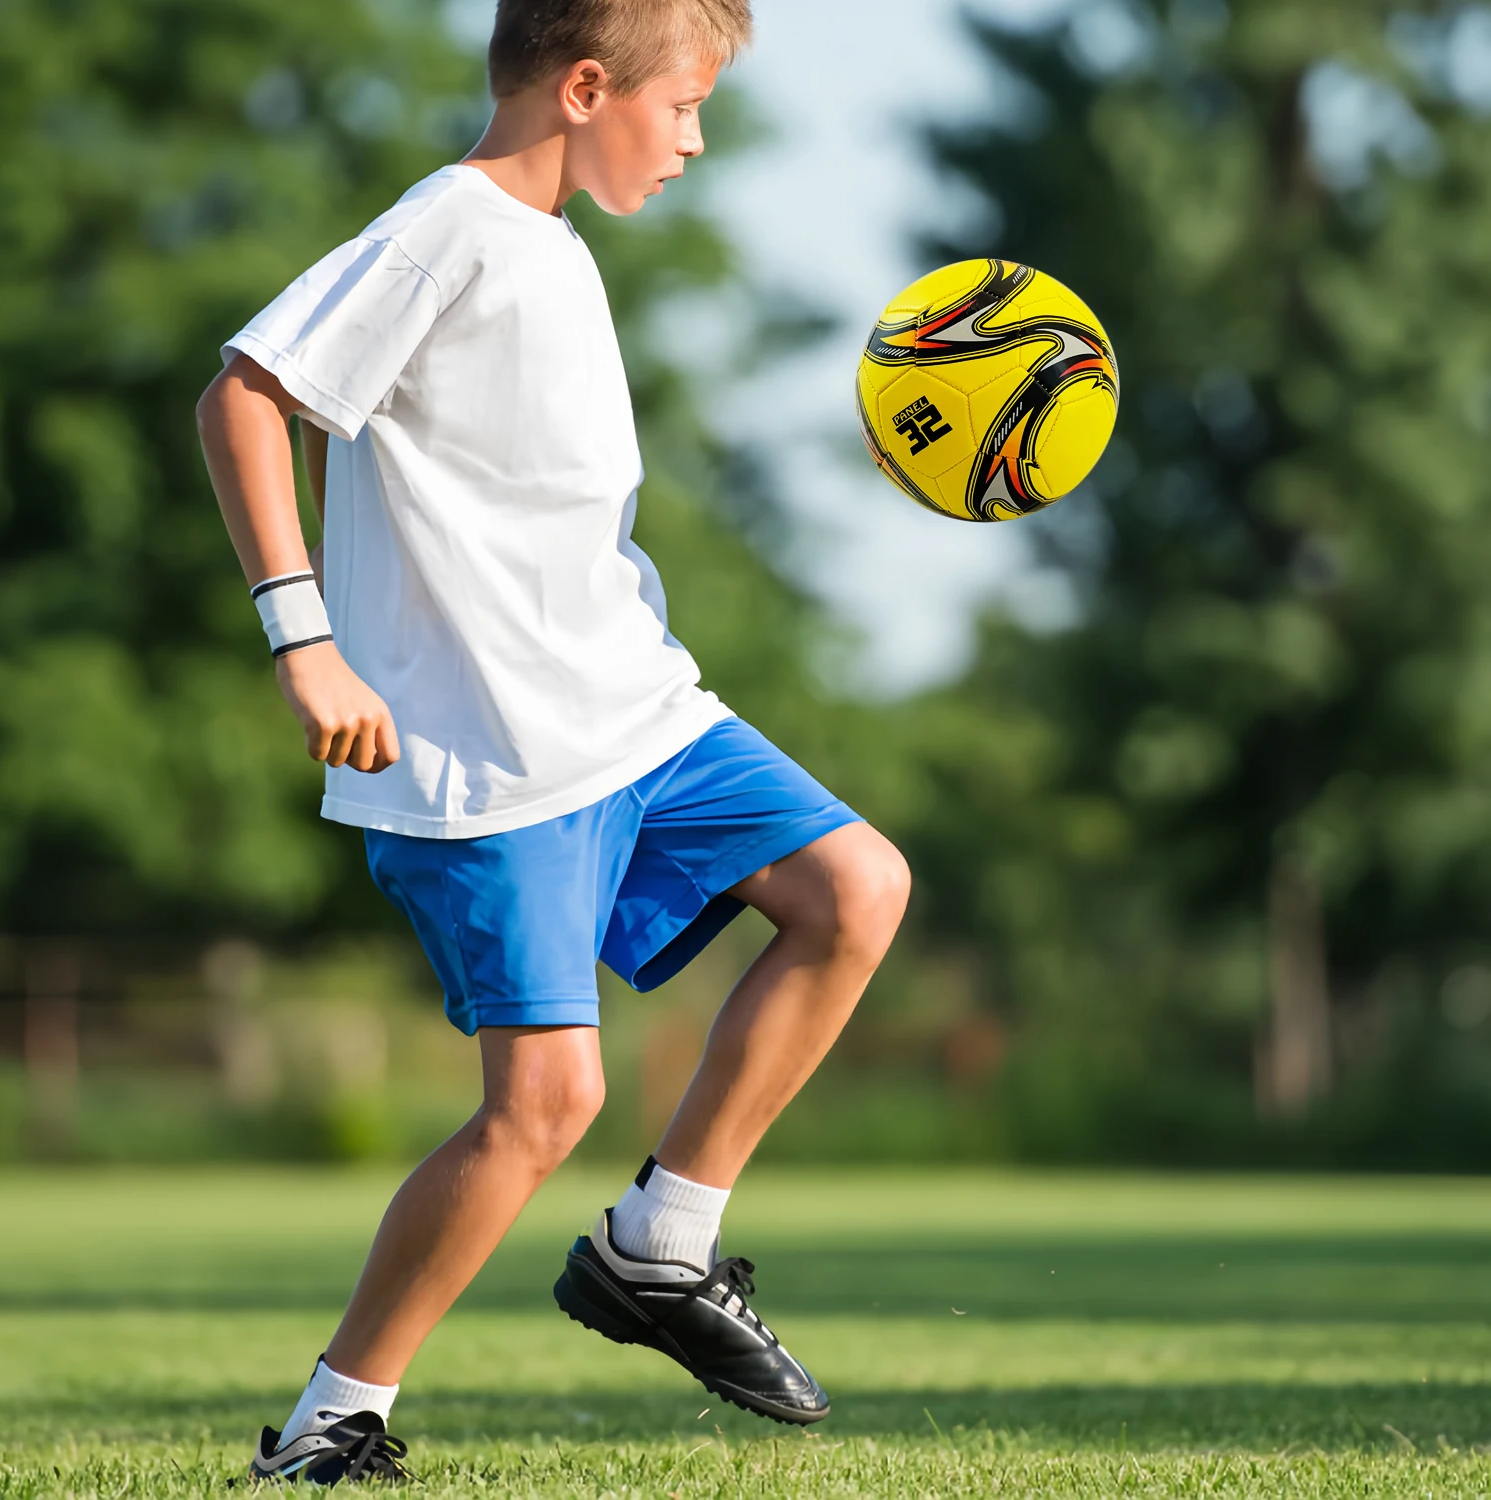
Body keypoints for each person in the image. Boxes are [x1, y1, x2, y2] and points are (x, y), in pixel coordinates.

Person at [196, 0, 910, 1484]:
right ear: (586, 87)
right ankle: (333, 1422)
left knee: (858, 890)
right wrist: (307, 637)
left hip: (635, 712)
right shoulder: (449, 224)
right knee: (545, 1108)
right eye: (687, 105)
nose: (697, 140)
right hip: (489, 762)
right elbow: (250, 399)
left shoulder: (559, 252)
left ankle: (664, 1243)